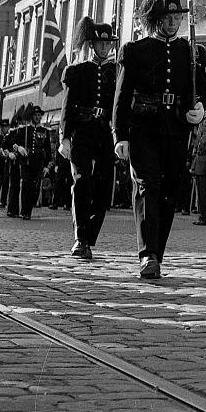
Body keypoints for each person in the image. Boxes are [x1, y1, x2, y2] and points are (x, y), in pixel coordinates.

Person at [113, 0, 206, 279]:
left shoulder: (190, 52)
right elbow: (121, 95)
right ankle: (148, 254)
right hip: (144, 127)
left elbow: (204, 91)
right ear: (156, 18)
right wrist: (120, 135)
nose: (172, 22)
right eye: (167, 17)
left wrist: (200, 109)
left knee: (169, 192)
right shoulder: (136, 50)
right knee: (147, 186)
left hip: (176, 130)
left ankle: (158, 250)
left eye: (177, 17)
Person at [60, 17, 118, 260]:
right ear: (92, 44)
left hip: (105, 133)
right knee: (82, 181)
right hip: (82, 131)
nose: (104, 48)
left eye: (108, 45)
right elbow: (67, 107)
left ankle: (89, 235)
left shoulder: (117, 71)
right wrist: (65, 137)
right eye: (100, 44)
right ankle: (80, 238)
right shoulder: (77, 71)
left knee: (104, 188)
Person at [6, 105, 51, 220]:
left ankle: (28, 209)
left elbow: (48, 150)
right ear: (32, 116)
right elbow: (14, 143)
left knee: (35, 189)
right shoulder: (23, 130)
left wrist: (47, 166)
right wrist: (20, 148)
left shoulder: (45, 131)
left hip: (39, 162)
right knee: (26, 185)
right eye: (35, 115)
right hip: (26, 161)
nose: (37, 117)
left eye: (39, 115)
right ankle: (25, 212)